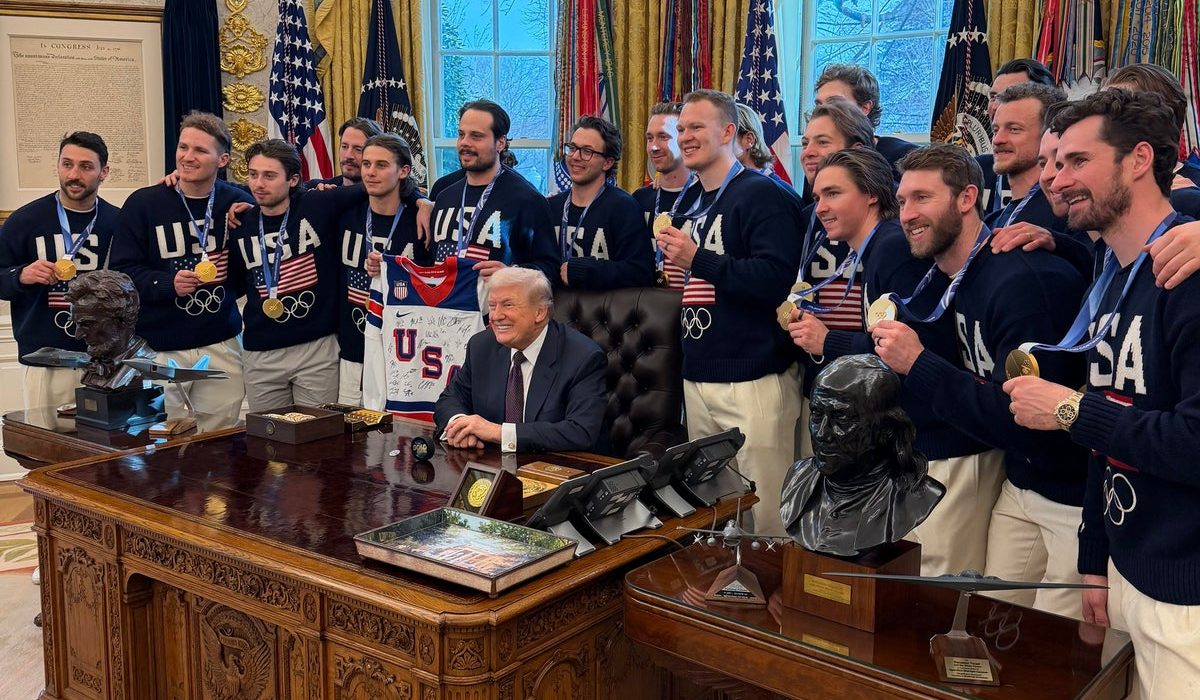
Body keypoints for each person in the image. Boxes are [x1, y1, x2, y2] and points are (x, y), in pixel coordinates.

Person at [1005, 89, 1200, 696]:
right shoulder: (1114, 272)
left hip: (1185, 585)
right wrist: (1095, 558)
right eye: (1055, 164)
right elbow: (1109, 429)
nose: (1057, 181)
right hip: (1127, 561)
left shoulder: (1187, 276)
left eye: (1077, 162)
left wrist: (1067, 409)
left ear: (1139, 159)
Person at [871, 144, 1089, 601]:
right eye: (903, 199)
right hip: (1020, 479)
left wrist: (919, 364)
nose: (907, 213)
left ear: (967, 198)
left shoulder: (1021, 280)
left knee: (1052, 644)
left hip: (1071, 491)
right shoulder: (955, 275)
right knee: (986, 618)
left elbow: (1031, 420)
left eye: (923, 198)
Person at [786, 148, 988, 492]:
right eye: (818, 196)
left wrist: (828, 341)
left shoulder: (892, 246)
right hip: (921, 440)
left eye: (834, 193)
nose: (820, 207)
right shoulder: (880, 246)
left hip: (943, 444)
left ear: (872, 196)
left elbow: (921, 344)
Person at [654, 89, 804, 536]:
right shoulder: (689, 200)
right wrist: (684, 274)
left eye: (697, 127)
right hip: (699, 371)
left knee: (767, 506)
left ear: (729, 133)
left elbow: (774, 281)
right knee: (717, 504)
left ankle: (774, 597)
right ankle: (723, 595)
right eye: (681, 129)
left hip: (753, 374)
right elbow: (706, 278)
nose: (686, 136)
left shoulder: (763, 194)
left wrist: (696, 260)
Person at [109, 111, 253, 424]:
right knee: (155, 444)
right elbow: (121, 271)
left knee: (219, 442)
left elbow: (251, 268)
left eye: (200, 150)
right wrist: (165, 283)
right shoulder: (144, 204)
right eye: (183, 147)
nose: (187, 157)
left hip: (221, 343)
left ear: (223, 159)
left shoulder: (239, 202)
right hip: (156, 348)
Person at [227, 139, 366, 412]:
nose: (258, 184)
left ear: (293, 180)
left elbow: (375, 184)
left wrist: (419, 199)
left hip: (316, 349)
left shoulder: (317, 204)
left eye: (269, 176)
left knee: (319, 440)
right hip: (261, 353)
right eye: (253, 175)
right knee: (270, 443)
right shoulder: (240, 222)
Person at [780, 354, 945, 557]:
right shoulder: (797, 479)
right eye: (816, 414)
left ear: (887, 428)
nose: (821, 433)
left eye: (841, 418)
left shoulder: (915, 496)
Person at [0, 132, 120, 408]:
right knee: (45, 447)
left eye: (86, 167)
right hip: (43, 360)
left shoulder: (118, 222)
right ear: (57, 166)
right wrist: (20, 275)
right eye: (67, 164)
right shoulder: (25, 220)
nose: (74, 174)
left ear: (104, 172)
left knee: (103, 448)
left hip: (103, 361)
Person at [433, 267, 607, 453]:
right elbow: (450, 399)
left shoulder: (583, 357)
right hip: (490, 467)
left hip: (557, 470)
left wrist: (498, 433)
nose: (496, 316)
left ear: (540, 313)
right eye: (492, 306)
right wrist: (461, 426)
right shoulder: (482, 346)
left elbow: (580, 432)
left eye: (508, 305)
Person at [428, 100, 558, 290]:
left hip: (498, 313)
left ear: (500, 143)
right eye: (461, 134)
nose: (465, 143)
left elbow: (550, 268)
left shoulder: (527, 199)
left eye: (476, 136)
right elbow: (428, 260)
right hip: (444, 311)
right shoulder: (443, 193)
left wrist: (511, 273)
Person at [336, 134, 427, 405]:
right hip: (351, 350)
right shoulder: (344, 211)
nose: (370, 173)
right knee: (350, 437)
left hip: (403, 353)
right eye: (366, 164)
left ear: (404, 171)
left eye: (381, 165)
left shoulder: (421, 222)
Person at [547, 116, 653, 290]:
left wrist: (583, 271)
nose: (575, 156)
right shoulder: (553, 207)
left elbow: (640, 272)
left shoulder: (623, 207)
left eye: (587, 151)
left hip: (606, 313)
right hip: (557, 310)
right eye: (572, 148)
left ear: (607, 162)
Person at [979, 59, 1057, 213]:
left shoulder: (1061, 195)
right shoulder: (978, 171)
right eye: (994, 96)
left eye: (1012, 95)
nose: (996, 106)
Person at [814, 64, 917, 177]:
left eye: (834, 103)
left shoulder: (906, 156)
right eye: (818, 105)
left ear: (865, 108)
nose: (823, 110)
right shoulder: (817, 157)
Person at [632, 101, 689, 289]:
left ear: (684, 139)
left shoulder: (707, 198)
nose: (653, 147)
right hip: (646, 309)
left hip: (694, 308)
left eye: (663, 137)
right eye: (650, 138)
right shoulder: (639, 199)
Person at [303, 117, 383, 188]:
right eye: (344, 147)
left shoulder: (385, 197)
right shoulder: (315, 188)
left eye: (358, 149)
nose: (348, 155)